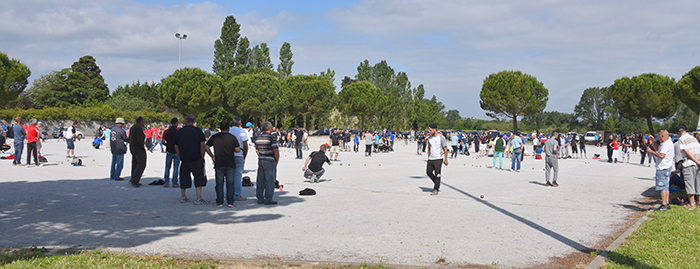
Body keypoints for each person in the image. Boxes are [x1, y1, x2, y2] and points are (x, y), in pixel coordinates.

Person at [205, 120, 242, 208]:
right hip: (230, 162)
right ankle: (230, 202)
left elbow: (206, 147)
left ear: (220, 128)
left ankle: (219, 201)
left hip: (219, 161)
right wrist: (230, 149)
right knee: (230, 183)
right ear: (229, 128)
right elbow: (238, 150)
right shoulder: (232, 137)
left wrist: (212, 156)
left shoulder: (215, 137)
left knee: (219, 183)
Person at [175, 114, 208, 204]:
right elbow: (202, 144)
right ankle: (198, 198)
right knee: (198, 177)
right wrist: (202, 155)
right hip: (196, 157)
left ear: (186, 120)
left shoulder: (180, 131)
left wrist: (179, 155)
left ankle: (183, 196)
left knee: (183, 177)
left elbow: (176, 145)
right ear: (193, 121)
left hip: (184, 158)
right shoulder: (198, 131)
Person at [646, 130, 675, 211]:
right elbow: (659, 149)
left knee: (662, 187)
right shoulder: (669, 142)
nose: (659, 139)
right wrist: (653, 141)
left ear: (662, 136)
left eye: (659, 137)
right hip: (667, 167)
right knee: (666, 187)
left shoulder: (666, 144)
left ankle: (664, 204)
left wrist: (651, 151)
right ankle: (666, 203)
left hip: (663, 167)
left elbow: (661, 155)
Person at [675, 125, 700, 210]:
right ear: (685, 130)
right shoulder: (694, 138)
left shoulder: (681, 139)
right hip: (698, 164)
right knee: (698, 184)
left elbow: (687, 152)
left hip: (689, 163)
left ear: (677, 133)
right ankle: (699, 202)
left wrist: (695, 160)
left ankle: (692, 204)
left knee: (690, 183)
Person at [255, 121, 280, 205]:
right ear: (270, 128)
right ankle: (268, 199)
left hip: (261, 159)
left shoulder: (258, 137)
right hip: (270, 160)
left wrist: (261, 155)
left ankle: (260, 198)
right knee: (270, 181)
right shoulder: (272, 137)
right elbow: (275, 150)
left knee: (260, 180)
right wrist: (277, 159)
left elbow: (257, 149)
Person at [228, 116, 250, 201]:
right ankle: (236, 195)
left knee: (229, 175)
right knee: (237, 175)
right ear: (240, 123)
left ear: (232, 122)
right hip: (239, 154)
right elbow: (245, 144)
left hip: (229, 154)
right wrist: (245, 154)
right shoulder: (242, 131)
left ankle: (228, 194)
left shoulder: (228, 130)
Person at [426, 123, 449, 196]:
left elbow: (445, 149)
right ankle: (437, 183)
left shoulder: (441, 138)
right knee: (428, 172)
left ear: (434, 129)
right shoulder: (430, 138)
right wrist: (428, 156)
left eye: (430, 130)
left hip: (438, 158)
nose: (429, 132)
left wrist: (446, 159)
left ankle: (436, 189)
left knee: (437, 174)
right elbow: (429, 147)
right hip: (431, 158)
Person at [128, 117, 147, 187]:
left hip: (132, 147)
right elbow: (139, 139)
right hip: (138, 148)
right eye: (143, 121)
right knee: (141, 163)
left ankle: (133, 178)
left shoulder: (133, 127)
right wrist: (142, 146)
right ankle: (134, 180)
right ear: (141, 121)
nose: (144, 123)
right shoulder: (138, 128)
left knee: (135, 163)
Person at [162, 118, 180, 188]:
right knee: (176, 167)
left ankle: (166, 181)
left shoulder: (166, 131)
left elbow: (162, 141)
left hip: (169, 150)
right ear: (176, 123)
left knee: (167, 167)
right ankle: (175, 182)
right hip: (177, 151)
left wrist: (167, 145)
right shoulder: (178, 131)